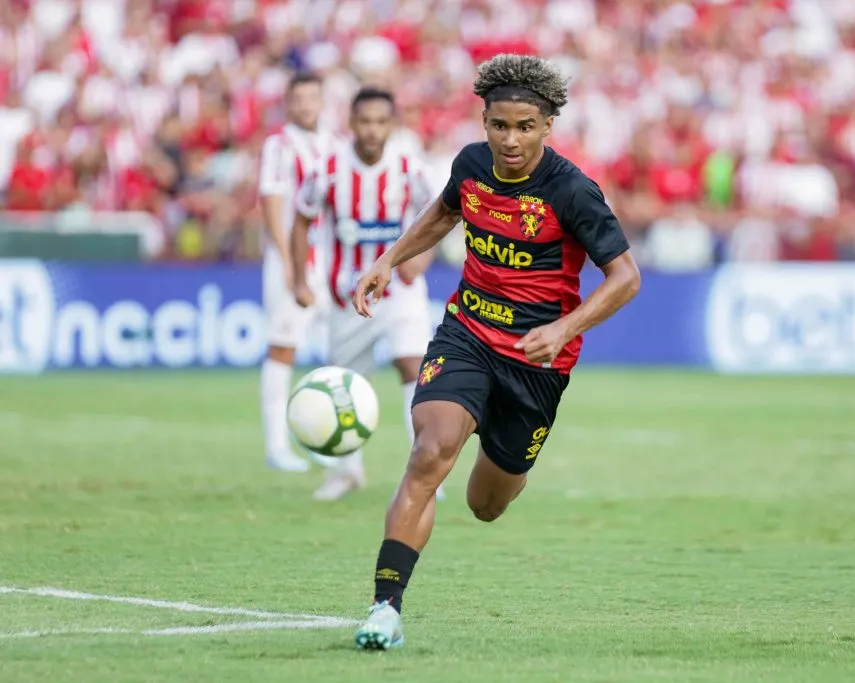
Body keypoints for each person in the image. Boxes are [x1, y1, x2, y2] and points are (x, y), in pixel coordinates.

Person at [349, 54, 642, 650]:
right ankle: (384, 607)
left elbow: (626, 277)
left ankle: (504, 456)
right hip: (468, 332)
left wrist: (562, 329)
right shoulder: (471, 163)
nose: (511, 140)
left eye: (525, 127)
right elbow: (446, 209)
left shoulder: (572, 191)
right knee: (430, 453)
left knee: (486, 504)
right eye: (499, 126)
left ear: (546, 127)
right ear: (484, 122)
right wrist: (390, 260)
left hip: (537, 362)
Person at [291, 87, 447, 503]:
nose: (372, 130)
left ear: (392, 125)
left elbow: (441, 214)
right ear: (352, 124)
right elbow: (301, 219)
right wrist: (299, 277)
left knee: (413, 367)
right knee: (345, 386)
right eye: (365, 121)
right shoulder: (327, 171)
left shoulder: (410, 169)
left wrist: (423, 258)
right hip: (348, 298)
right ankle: (346, 472)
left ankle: (429, 471)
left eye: (381, 121)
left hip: (401, 293)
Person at [258, 72, 334, 474]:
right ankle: (275, 444)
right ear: (289, 103)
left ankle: (320, 436)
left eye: (312, 98)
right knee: (283, 344)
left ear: (322, 101)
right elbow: (271, 199)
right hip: (292, 256)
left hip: (329, 257)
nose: (306, 105)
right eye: (299, 99)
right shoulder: (279, 144)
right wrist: (288, 261)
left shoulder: (335, 143)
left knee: (327, 349)